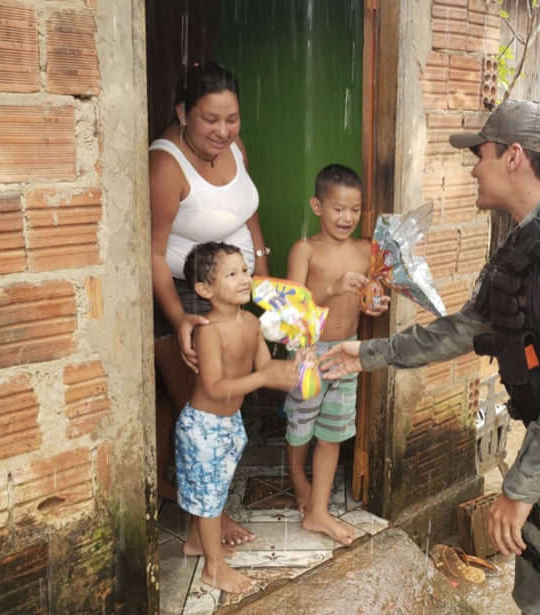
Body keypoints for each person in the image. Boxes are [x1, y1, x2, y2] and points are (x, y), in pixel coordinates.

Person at [319, 100, 540, 613]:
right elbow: (464, 330)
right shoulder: (527, 243)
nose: (473, 167)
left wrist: (516, 490)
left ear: (513, 157)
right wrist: (366, 353)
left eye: (481, 154)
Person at [150, 61, 270, 545]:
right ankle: (208, 521)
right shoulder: (165, 165)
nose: (223, 131)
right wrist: (179, 317)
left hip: (235, 284)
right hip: (185, 294)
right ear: (183, 112)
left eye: (232, 118)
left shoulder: (235, 148)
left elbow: (249, 208)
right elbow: (154, 253)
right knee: (204, 409)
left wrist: (261, 268)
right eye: (210, 119)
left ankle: (169, 485)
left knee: (192, 405)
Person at [175, 241, 301, 593]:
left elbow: (265, 365)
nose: (245, 278)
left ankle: (196, 541)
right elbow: (214, 387)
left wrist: (295, 367)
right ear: (204, 289)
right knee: (209, 496)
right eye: (232, 274)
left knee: (211, 492)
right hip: (202, 427)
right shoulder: (208, 330)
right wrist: (264, 379)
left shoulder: (250, 322)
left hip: (229, 423)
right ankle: (214, 568)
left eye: (245, 270)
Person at [283, 164, 390, 545]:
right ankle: (298, 478)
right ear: (317, 206)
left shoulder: (366, 250)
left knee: (332, 432)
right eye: (338, 208)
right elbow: (292, 307)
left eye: (355, 209)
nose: (347, 217)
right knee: (301, 425)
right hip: (310, 351)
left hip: (347, 353)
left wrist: (373, 304)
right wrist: (332, 286)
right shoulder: (306, 250)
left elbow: (370, 297)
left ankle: (318, 512)